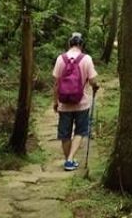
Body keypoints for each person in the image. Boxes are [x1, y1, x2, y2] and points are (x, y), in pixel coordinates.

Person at [52, 31, 99, 171]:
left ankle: (69, 160)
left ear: (69, 44)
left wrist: (55, 102)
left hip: (64, 103)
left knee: (64, 133)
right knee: (80, 131)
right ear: (81, 45)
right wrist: (96, 86)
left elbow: (56, 84)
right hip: (82, 103)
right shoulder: (86, 59)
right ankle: (70, 159)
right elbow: (92, 81)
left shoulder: (61, 59)